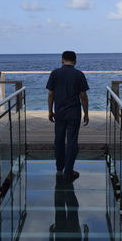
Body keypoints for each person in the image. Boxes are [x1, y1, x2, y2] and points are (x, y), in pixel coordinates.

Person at [46, 51, 89, 182]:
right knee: (72, 141)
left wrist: (50, 111)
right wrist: (86, 113)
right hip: (74, 112)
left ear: (62, 60)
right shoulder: (79, 74)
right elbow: (83, 96)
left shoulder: (55, 73)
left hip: (60, 112)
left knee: (58, 139)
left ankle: (59, 166)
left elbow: (50, 95)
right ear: (75, 61)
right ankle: (68, 171)